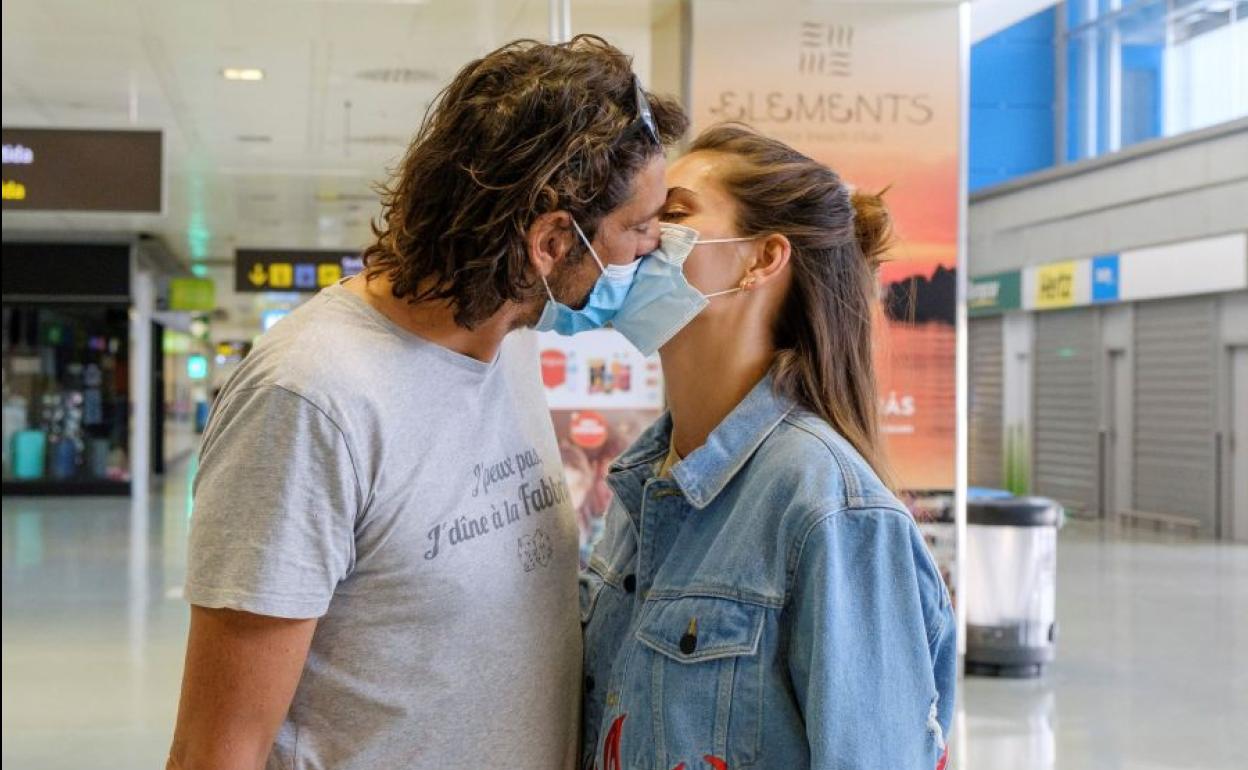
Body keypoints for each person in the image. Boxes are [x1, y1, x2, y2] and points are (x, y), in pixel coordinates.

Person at [167, 36, 687, 770]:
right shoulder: (311, 398)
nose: (652, 251)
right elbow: (217, 750)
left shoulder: (510, 345)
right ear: (548, 242)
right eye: (638, 228)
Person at [579, 125, 957, 770]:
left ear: (761, 260)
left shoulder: (825, 505)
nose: (640, 237)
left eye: (671, 215)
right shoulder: (645, 479)